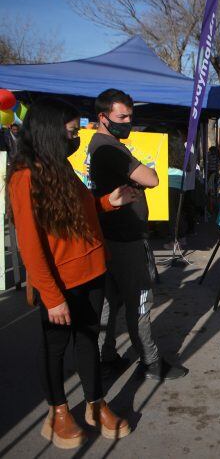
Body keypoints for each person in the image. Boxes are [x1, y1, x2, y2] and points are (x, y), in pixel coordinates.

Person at [7, 98, 134, 449]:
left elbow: (86, 208)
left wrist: (110, 202)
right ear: (49, 132)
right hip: (61, 284)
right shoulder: (24, 178)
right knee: (55, 348)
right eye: (71, 132)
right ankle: (58, 412)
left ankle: (95, 404)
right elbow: (30, 247)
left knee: (88, 341)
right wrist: (52, 297)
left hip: (92, 272)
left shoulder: (60, 167)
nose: (76, 138)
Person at [89, 88, 187, 381]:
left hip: (115, 235)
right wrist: (141, 180)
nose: (128, 121)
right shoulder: (109, 147)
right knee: (140, 301)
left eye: (131, 115)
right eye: (122, 116)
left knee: (113, 299)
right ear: (103, 117)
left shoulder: (105, 144)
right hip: (126, 239)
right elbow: (152, 178)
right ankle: (151, 361)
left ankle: (105, 357)